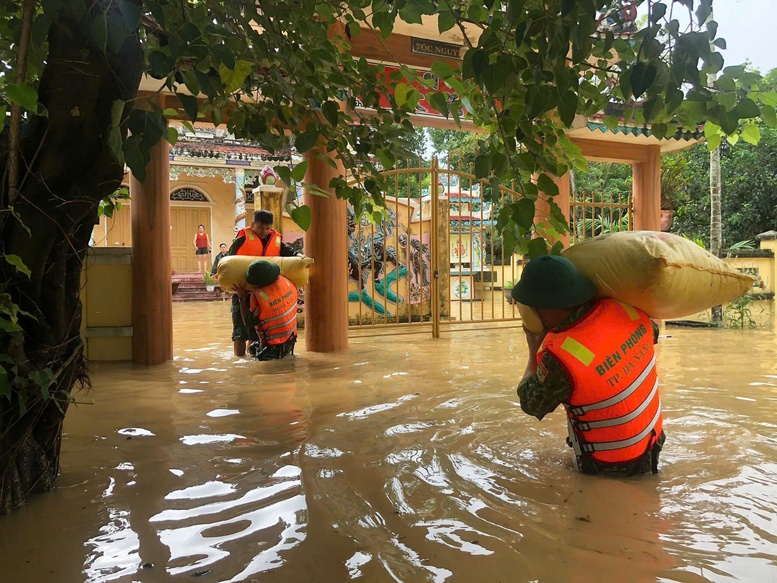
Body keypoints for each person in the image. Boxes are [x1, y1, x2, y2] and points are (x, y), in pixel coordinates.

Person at [512, 255, 665, 476]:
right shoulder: (626, 310)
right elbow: (651, 335)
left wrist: (533, 348)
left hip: (607, 467)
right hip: (652, 442)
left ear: (543, 309)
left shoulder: (560, 357)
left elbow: (530, 404)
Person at [228, 209, 302, 357]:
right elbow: (229, 260)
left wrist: (299, 256)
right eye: (261, 227)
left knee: (257, 330)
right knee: (240, 331)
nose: (264, 231)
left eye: (268, 228)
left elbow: (288, 251)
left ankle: (253, 360)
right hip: (242, 290)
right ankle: (240, 361)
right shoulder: (242, 239)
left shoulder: (275, 239)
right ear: (253, 224)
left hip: (265, 293)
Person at [238, 260, 298, 361]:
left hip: (273, 347)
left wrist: (241, 299)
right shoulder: (286, 281)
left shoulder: (259, 296)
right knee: (253, 348)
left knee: (257, 361)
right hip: (291, 339)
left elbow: (248, 322)